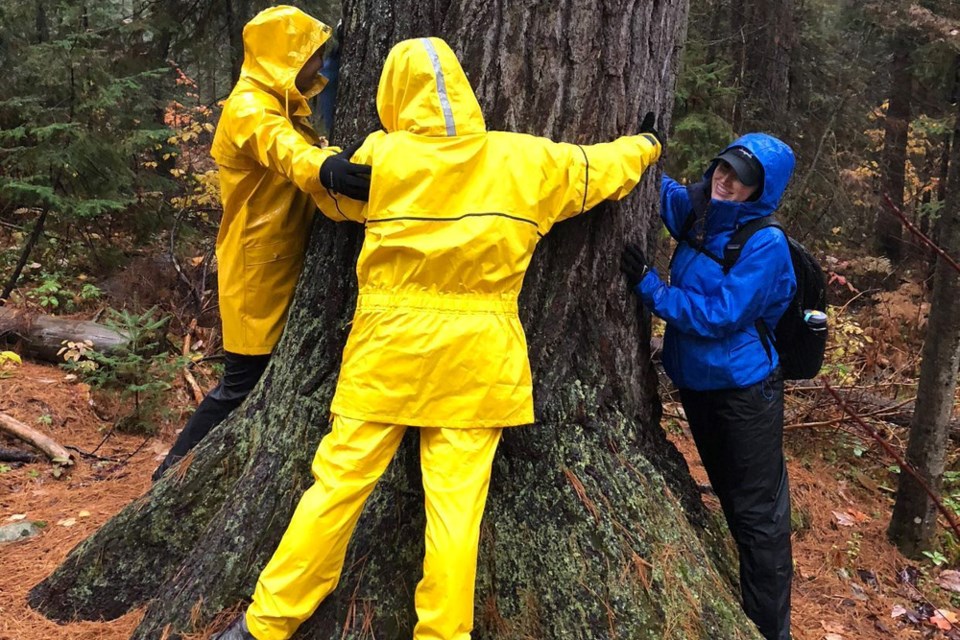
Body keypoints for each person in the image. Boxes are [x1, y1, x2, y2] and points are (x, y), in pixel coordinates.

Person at [213, 36, 662, 640]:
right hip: (479, 362)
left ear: (394, 94)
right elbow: (601, 169)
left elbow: (335, 203)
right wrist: (646, 145)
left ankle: (266, 624)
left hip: (386, 354)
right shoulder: (526, 162)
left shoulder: (383, 157)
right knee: (455, 509)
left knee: (337, 486)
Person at [152, 6, 371, 482]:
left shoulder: (279, 102)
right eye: (310, 55)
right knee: (241, 383)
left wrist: (329, 161)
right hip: (257, 269)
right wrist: (325, 169)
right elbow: (282, 148)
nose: (318, 64)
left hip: (277, 259)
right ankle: (171, 474)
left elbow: (296, 149)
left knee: (253, 381)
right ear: (284, 57)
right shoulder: (251, 107)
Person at [620, 134, 797, 640]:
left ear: (761, 190)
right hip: (700, 388)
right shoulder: (699, 212)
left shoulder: (765, 242)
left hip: (744, 396)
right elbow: (657, 190)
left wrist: (652, 289)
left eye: (742, 177)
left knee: (757, 516)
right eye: (724, 167)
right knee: (729, 497)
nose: (727, 180)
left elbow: (721, 315)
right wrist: (643, 146)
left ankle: (769, 630)